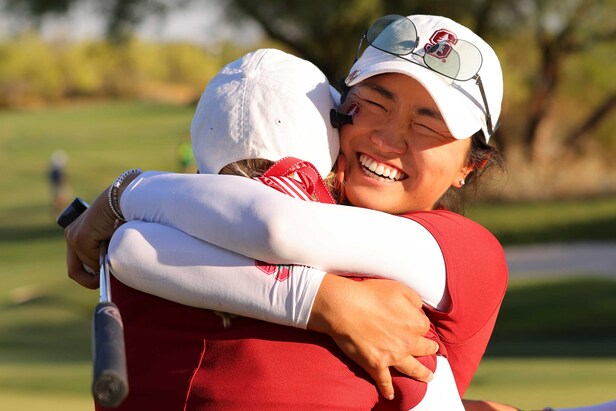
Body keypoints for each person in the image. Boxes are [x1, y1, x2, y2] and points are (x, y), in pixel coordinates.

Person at [66, 14, 508, 410]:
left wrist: (128, 192)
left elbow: (274, 228)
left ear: (470, 166)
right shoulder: (212, 219)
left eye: (428, 124)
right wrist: (328, 302)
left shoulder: (466, 251)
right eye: (375, 103)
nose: (388, 138)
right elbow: (134, 250)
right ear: (337, 112)